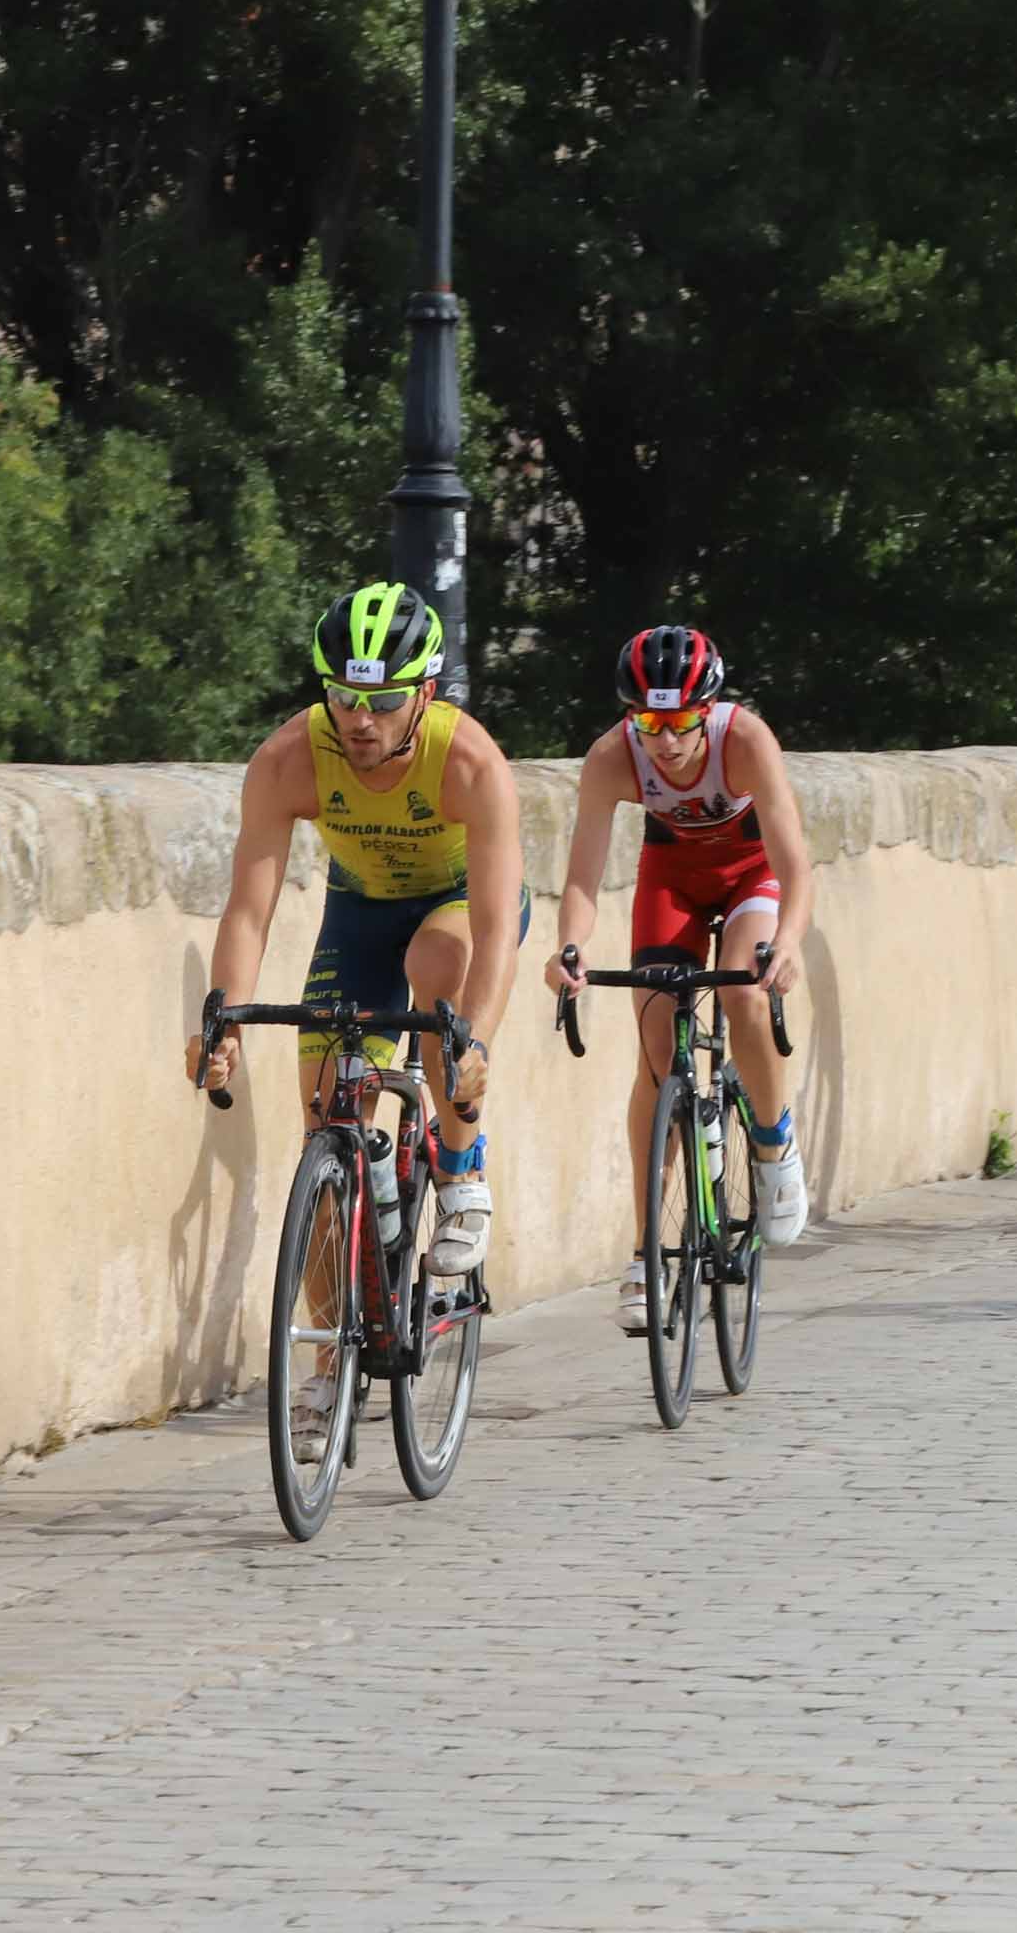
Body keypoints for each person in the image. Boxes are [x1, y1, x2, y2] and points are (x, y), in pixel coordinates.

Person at [187, 582, 525, 1459]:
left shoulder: (469, 762)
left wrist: (476, 1041)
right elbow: (249, 908)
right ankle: (328, 1363)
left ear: (425, 693)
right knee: (324, 1122)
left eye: (381, 701)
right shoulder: (289, 758)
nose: (359, 719)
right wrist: (223, 1020)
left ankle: (460, 1168)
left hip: (459, 909)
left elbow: (497, 930)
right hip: (361, 915)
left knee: (435, 973)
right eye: (342, 696)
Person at [543, 626, 814, 1333]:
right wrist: (570, 947)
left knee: (743, 989)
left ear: (709, 710)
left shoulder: (745, 740)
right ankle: (646, 1255)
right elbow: (582, 876)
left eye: (681, 723)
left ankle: (773, 1141)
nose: (664, 742)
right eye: (648, 723)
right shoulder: (612, 757)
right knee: (656, 1051)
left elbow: (794, 863)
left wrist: (788, 941)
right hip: (673, 878)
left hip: (751, 873)